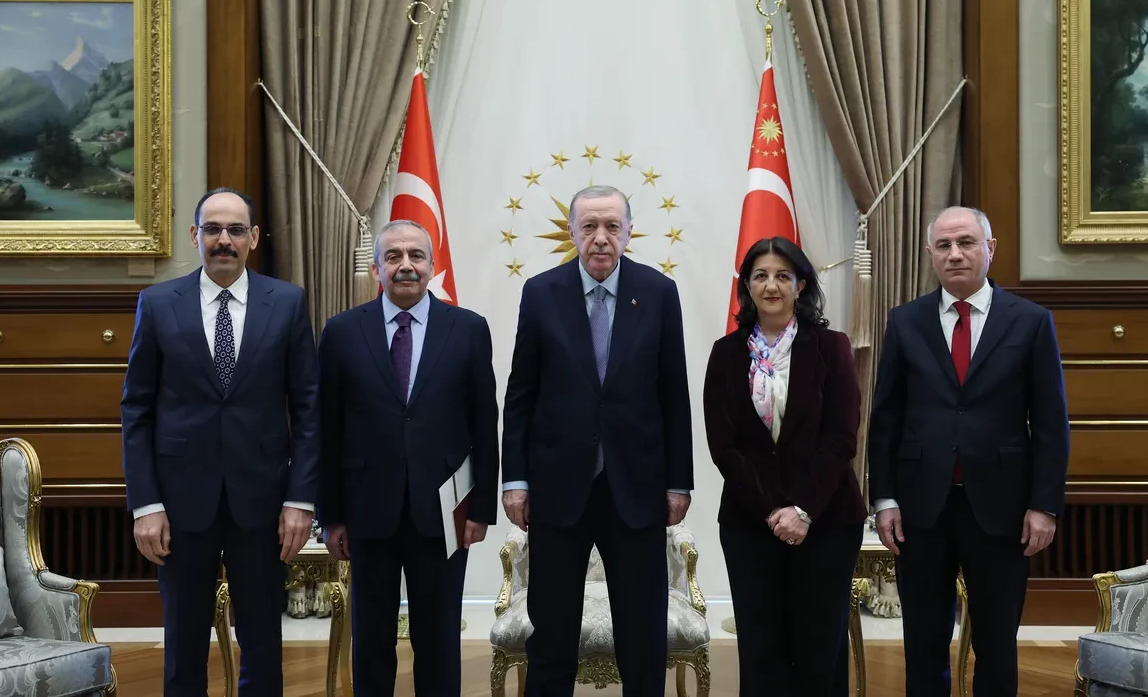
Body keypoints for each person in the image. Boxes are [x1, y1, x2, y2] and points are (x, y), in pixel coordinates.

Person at [121, 187, 320, 697]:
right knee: (183, 650)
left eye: (235, 230)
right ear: (195, 236)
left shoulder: (289, 302)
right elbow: (136, 411)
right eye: (213, 229)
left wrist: (300, 500)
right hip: (180, 507)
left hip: (264, 503)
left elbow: (308, 409)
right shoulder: (159, 303)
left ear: (253, 238)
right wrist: (146, 504)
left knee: (263, 647)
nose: (223, 240)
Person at [868, 206, 1069, 697]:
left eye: (966, 243)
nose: (955, 254)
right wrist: (884, 498)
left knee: (998, 641)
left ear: (989, 249)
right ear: (931, 255)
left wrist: (1044, 505)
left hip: (1001, 508)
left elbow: (1049, 422)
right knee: (923, 639)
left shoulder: (1030, 322)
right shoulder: (905, 321)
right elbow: (886, 418)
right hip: (920, 507)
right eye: (944, 246)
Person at [501, 184, 694, 697]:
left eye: (612, 226)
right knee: (552, 639)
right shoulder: (541, 293)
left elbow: (675, 394)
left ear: (629, 233)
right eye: (590, 227)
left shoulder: (658, 293)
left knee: (643, 636)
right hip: (557, 491)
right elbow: (520, 394)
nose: (601, 238)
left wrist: (679, 483)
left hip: (637, 490)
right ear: (572, 233)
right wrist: (515, 481)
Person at [317, 219, 498, 696]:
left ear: (433, 266)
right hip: (365, 510)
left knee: (437, 639)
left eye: (416, 256)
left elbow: (484, 425)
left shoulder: (468, 329)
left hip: (444, 510)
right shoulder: (341, 332)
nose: (406, 266)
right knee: (371, 638)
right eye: (393, 257)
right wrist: (330, 515)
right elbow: (327, 429)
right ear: (377, 268)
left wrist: (480, 510)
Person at [703, 236, 865, 696]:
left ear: (800, 285)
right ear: (747, 288)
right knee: (760, 647)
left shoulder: (831, 347)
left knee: (819, 647)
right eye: (760, 276)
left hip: (827, 522)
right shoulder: (726, 352)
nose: (770, 285)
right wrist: (773, 512)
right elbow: (724, 444)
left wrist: (804, 510)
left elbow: (841, 437)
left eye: (781, 276)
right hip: (750, 525)